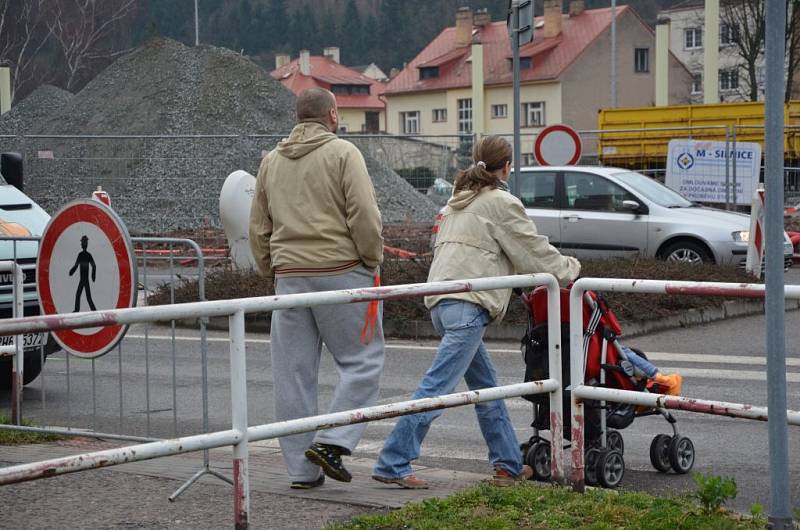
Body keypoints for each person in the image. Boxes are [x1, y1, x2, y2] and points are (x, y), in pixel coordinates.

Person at [372, 135, 581, 489]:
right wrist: (572, 269)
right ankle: (393, 461)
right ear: (507, 166)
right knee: (436, 388)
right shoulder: (500, 202)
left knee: (486, 388)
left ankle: (508, 466)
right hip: (468, 306)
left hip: (442, 301)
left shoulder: (456, 202)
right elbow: (534, 252)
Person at [249, 87, 385, 490]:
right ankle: (333, 440)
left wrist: (271, 267)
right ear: (332, 114)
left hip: (289, 278)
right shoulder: (344, 153)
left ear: (297, 117)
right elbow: (363, 212)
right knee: (363, 363)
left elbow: (258, 226)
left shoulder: (271, 162)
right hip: (342, 271)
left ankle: (300, 472)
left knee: (292, 374)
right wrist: (371, 257)